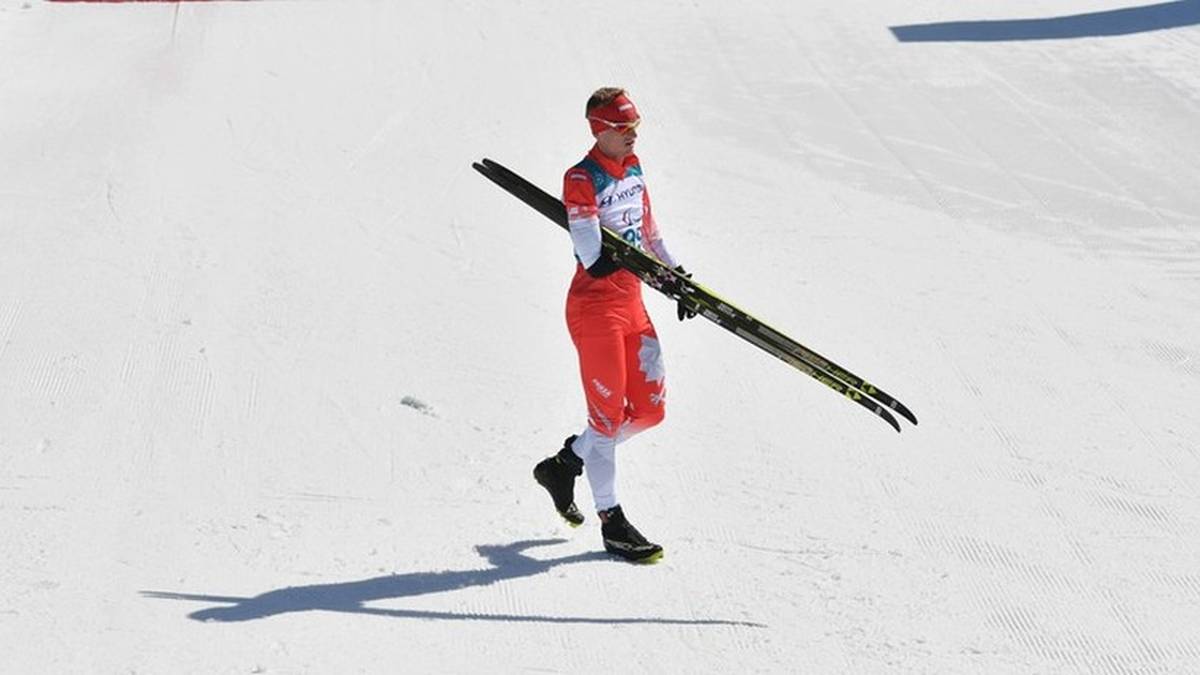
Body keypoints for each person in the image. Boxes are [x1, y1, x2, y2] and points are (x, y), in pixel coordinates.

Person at [533, 88, 696, 564]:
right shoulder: (581, 177)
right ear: (599, 130)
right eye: (624, 128)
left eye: (636, 126)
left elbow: (650, 234)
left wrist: (676, 278)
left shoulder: (634, 168)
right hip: (595, 311)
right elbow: (591, 255)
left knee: (649, 411)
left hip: (632, 306)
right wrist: (618, 256)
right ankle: (612, 522)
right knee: (605, 421)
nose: (633, 136)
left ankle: (566, 462)